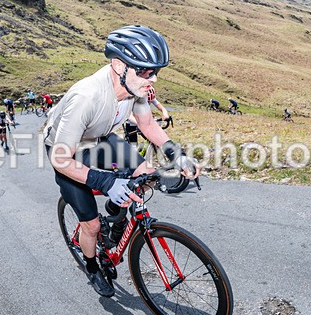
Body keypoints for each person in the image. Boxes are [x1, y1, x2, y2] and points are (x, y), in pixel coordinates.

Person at [44, 25, 199, 298]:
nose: (151, 79)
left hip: (99, 139)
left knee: (145, 171)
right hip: (66, 152)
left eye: (155, 72)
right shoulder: (87, 97)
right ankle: (93, 268)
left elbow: (148, 125)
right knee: (91, 224)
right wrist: (104, 180)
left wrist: (178, 155)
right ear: (118, 65)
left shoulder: (136, 87)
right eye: (144, 71)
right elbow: (60, 159)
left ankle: (116, 215)